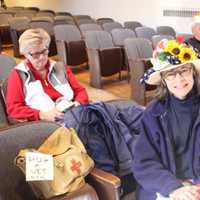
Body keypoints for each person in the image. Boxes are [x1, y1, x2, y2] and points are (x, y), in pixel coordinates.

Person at [133, 39, 200, 200]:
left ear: (193, 72)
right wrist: (174, 188)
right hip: (166, 186)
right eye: (170, 74)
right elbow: (144, 162)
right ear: (163, 79)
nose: (179, 80)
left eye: (184, 70)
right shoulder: (153, 113)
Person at [6, 28, 89, 122]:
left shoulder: (60, 67)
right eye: (36, 54)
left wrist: (78, 103)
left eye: (44, 51)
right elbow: (14, 108)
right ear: (25, 54)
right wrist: (41, 115)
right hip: (44, 123)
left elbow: (80, 91)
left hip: (72, 115)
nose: (42, 57)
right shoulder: (18, 74)